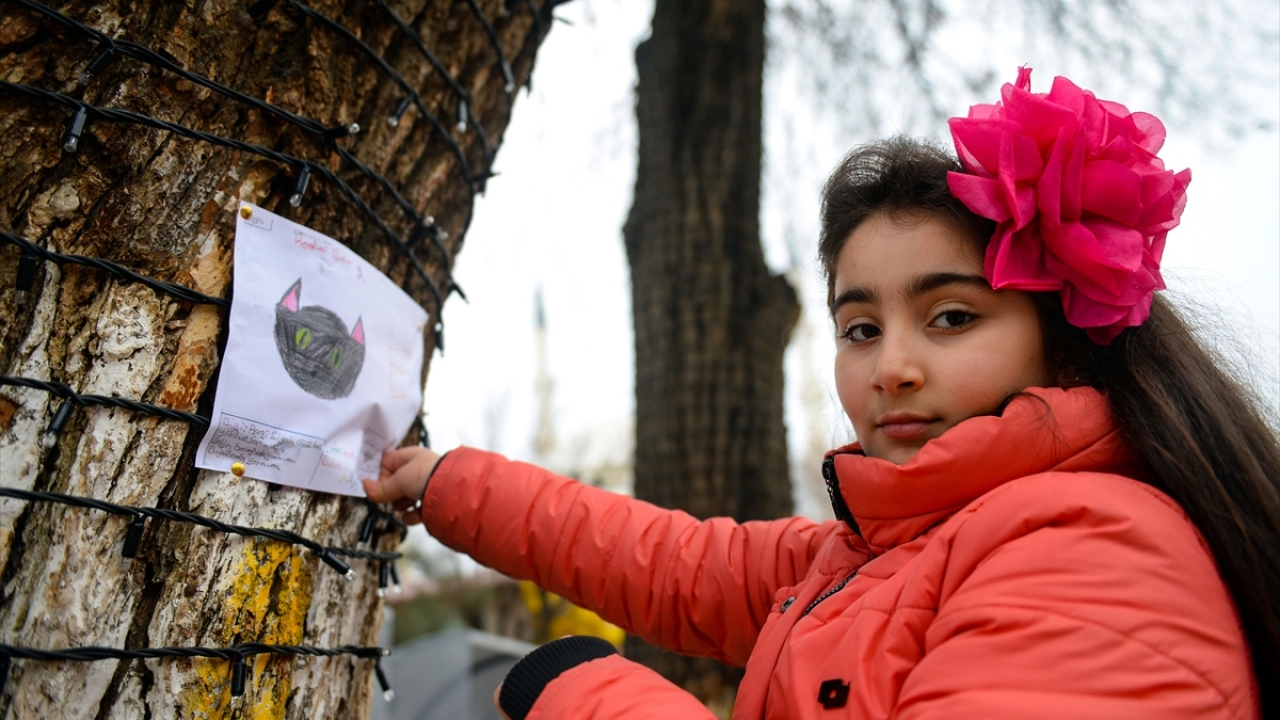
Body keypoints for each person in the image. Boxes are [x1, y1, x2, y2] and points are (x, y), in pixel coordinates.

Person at [363, 69, 1279, 719]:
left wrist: (581, 693)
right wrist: (445, 481)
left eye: (951, 317)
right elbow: (667, 560)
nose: (891, 368)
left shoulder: (1096, 551)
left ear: (1063, 334)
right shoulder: (872, 552)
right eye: (860, 328)